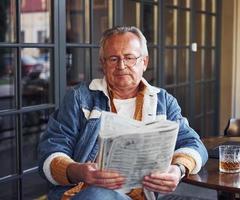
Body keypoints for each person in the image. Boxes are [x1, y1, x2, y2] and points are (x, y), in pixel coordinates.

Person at [38, 26, 208, 200]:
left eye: (129, 58)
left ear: (145, 62)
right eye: (113, 59)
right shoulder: (80, 98)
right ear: (103, 64)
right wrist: (79, 171)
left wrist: (177, 170)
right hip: (85, 192)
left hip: (142, 196)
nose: (121, 66)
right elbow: (50, 151)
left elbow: (194, 143)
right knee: (97, 195)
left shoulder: (163, 101)